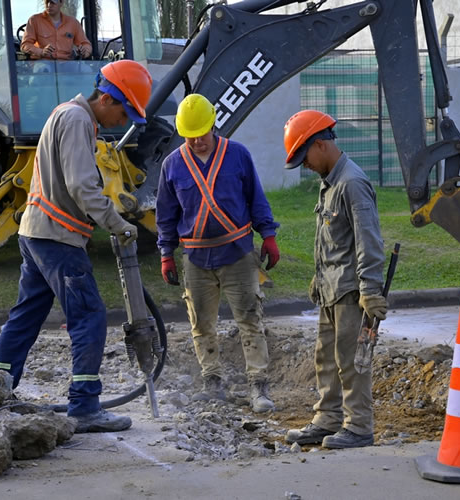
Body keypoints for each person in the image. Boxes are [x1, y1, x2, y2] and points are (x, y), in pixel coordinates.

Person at [0, 60, 153, 433]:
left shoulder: (67, 115)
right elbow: (83, 187)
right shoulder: (79, 121)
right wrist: (118, 224)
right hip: (57, 238)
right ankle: (84, 405)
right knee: (89, 316)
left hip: (36, 233)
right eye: (124, 111)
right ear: (109, 98)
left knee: (26, 315)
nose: (122, 121)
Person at [155, 93, 281, 413]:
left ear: (214, 124)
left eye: (202, 133)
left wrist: (268, 235)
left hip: (237, 253)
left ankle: (258, 386)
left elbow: (256, 198)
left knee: (249, 319)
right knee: (201, 323)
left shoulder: (237, 155)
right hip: (196, 259)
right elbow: (166, 215)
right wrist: (166, 253)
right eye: (189, 136)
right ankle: (212, 382)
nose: (197, 141)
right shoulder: (172, 165)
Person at [281, 110, 387, 449]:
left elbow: (368, 239)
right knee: (326, 358)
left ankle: (358, 426)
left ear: (321, 144)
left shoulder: (352, 183)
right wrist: (318, 277)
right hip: (330, 289)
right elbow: (333, 238)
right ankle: (327, 419)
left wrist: (370, 290)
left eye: (305, 156)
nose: (305, 165)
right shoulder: (330, 183)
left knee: (351, 361)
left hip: (351, 292)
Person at [21, 0, 92, 60]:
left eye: (52, 2)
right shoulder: (34, 20)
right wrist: (41, 52)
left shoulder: (73, 23)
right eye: (47, 2)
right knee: (43, 69)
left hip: (66, 63)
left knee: (86, 70)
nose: (49, 5)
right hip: (43, 61)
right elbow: (25, 45)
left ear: (61, 3)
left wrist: (85, 51)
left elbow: (86, 44)